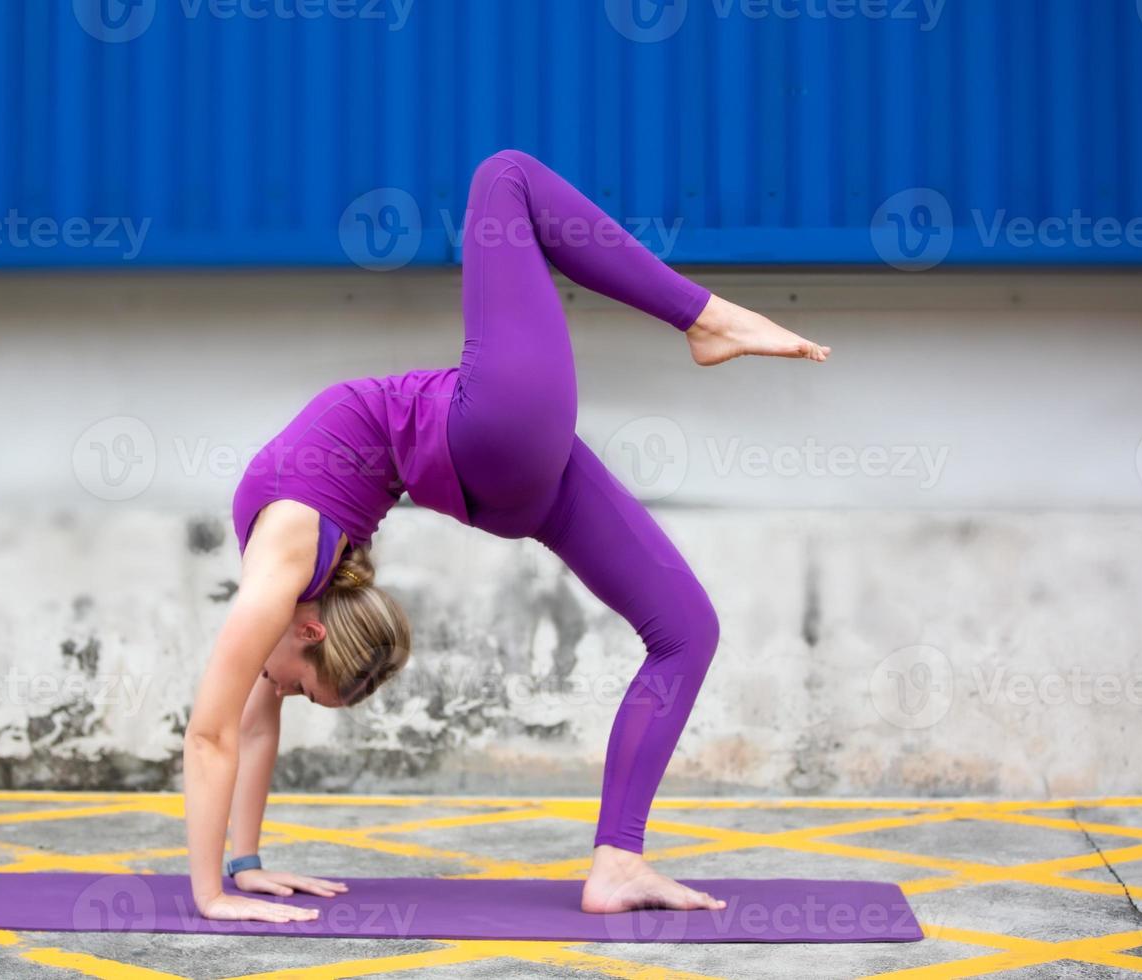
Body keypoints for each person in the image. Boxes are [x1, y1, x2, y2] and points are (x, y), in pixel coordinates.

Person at [183, 150, 829, 924]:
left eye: (294, 685)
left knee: (688, 629)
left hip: (490, 441)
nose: (274, 685)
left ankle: (619, 861)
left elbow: (212, 734)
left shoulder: (281, 566)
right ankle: (705, 318)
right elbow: (248, 727)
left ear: (312, 629)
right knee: (504, 176)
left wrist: (213, 892)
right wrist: (246, 866)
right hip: (498, 455)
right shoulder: (289, 584)